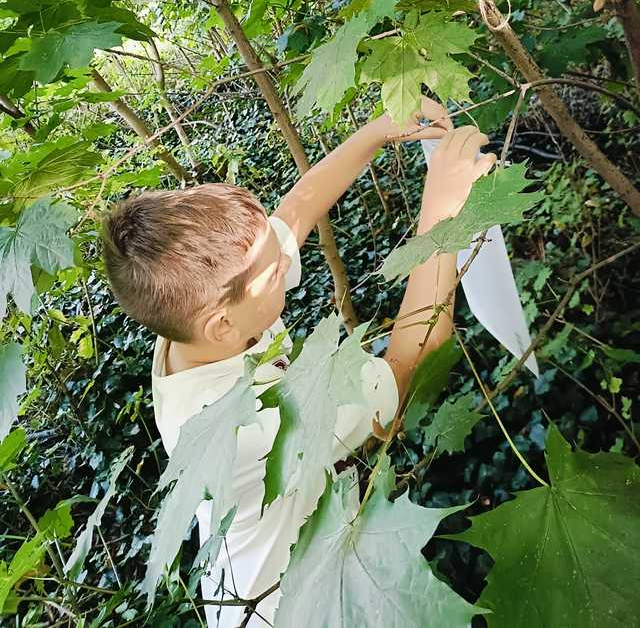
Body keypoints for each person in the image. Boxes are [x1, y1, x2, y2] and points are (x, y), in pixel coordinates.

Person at [101, 97, 494, 627]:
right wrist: (442, 213)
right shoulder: (248, 422)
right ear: (223, 323)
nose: (285, 254)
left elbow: (298, 209)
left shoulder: (205, 322)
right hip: (285, 605)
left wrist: (378, 130)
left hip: (311, 546)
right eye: (273, 266)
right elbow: (408, 368)